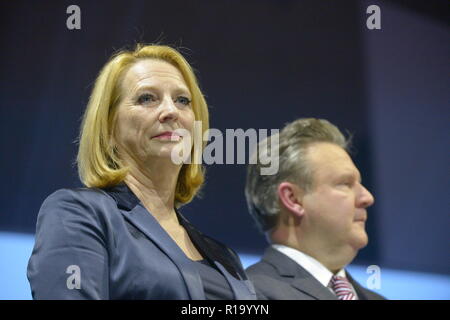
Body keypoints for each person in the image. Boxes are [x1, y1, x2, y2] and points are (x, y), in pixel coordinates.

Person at [27, 44, 256, 300]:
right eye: (147, 98)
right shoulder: (79, 213)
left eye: (182, 100)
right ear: (109, 128)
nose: (171, 111)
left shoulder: (225, 257)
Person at [244, 118, 385, 300]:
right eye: (345, 183)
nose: (367, 198)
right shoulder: (246, 294)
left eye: (360, 184)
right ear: (293, 199)